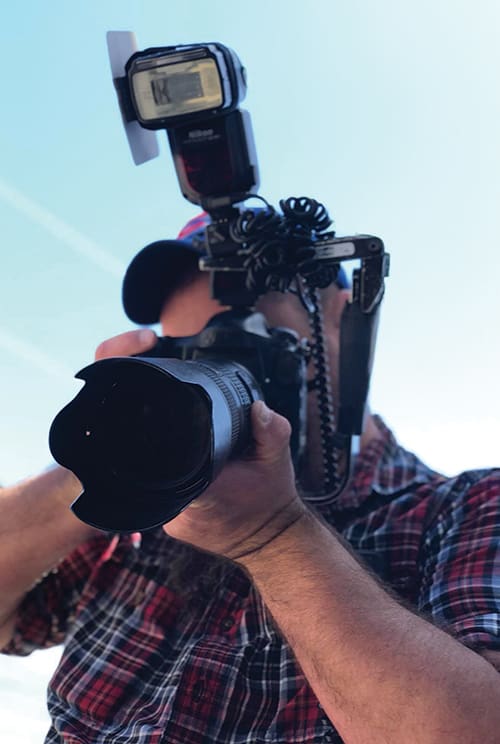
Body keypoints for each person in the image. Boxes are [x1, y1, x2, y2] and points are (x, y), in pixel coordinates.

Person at [1, 211, 499, 744]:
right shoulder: (137, 521)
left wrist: (276, 538)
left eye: (253, 345)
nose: (211, 385)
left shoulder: (466, 508)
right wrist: (106, 448)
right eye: (190, 355)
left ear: (343, 318)